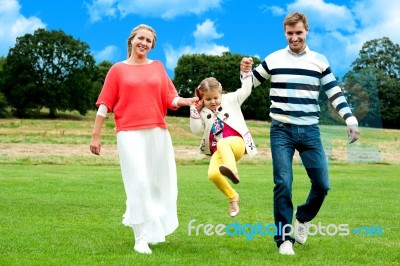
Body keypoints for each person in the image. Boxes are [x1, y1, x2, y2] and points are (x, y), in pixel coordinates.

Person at [240, 12, 360, 255]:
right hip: (281, 130)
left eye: (298, 33)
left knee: (323, 184)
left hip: (310, 132)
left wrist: (350, 118)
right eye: (290, 33)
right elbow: (249, 86)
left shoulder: (319, 61)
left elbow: (334, 92)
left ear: (306, 31)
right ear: (285, 33)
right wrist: (244, 73)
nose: (294, 37)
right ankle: (284, 240)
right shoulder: (274, 59)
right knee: (283, 183)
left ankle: (303, 218)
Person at [89, 24, 197, 255]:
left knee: (158, 184)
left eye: (149, 41)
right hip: (128, 133)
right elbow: (105, 105)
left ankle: (153, 229)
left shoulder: (158, 67)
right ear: (131, 40)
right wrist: (96, 135)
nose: (144, 43)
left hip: (157, 132)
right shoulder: (117, 70)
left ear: (152, 45)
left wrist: (187, 101)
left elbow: (171, 98)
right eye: (141, 38)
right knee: (138, 182)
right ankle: (140, 238)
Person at [189, 75, 257, 218]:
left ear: (221, 93)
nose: (212, 102)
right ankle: (233, 197)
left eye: (215, 98)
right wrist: (194, 110)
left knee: (223, 142)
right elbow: (196, 131)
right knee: (213, 174)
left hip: (237, 144)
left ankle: (232, 170)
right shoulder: (202, 111)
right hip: (219, 151)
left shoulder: (231, 99)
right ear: (202, 98)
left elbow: (246, 89)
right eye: (208, 99)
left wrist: (246, 73)